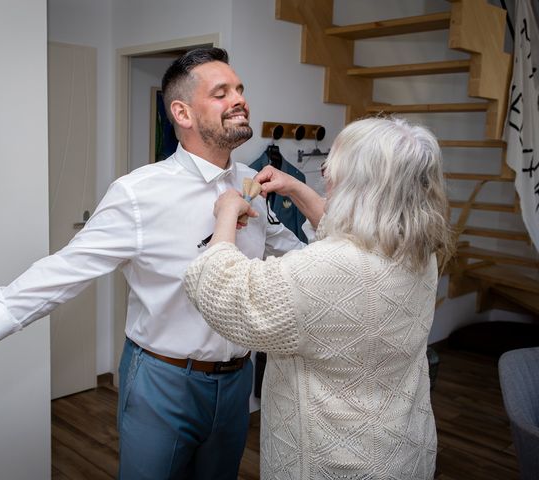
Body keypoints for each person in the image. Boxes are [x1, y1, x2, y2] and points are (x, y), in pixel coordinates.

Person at [0, 47, 304, 479]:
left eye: (240, 89)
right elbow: (61, 271)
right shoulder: (138, 194)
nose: (239, 99)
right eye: (221, 92)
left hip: (237, 382)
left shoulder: (251, 183)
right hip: (163, 382)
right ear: (183, 113)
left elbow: (288, 250)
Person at [184, 117, 454, 479]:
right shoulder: (416, 249)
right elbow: (353, 230)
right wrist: (294, 187)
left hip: (335, 461)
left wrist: (226, 215)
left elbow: (222, 290)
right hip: (401, 446)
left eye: (334, 166)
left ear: (360, 183)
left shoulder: (322, 271)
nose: (326, 172)